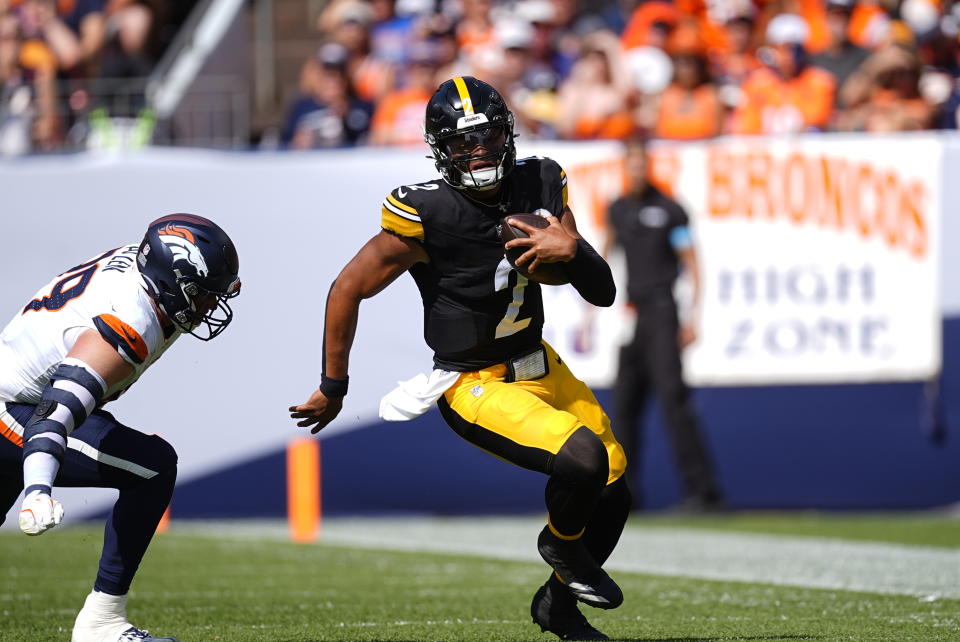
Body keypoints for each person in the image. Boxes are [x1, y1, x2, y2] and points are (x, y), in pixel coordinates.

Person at [290, 76, 630, 641]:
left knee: (614, 489)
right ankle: (560, 545)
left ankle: (558, 606)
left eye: (489, 138)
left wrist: (573, 250)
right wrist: (334, 383)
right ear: (438, 150)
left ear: (508, 135)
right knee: (584, 460)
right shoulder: (427, 213)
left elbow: (603, 292)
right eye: (462, 143)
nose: (479, 153)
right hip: (473, 380)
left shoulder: (540, 181)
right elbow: (348, 286)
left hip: (538, 362)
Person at [0, 213, 241, 642]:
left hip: (20, 392)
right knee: (153, 467)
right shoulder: (126, 322)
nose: (209, 307)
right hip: (17, 408)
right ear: (171, 282)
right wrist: (39, 488)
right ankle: (102, 624)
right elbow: (52, 414)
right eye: (202, 295)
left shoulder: (146, 272)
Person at [603, 138, 723, 513]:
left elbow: (692, 263)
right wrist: (592, 313)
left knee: (673, 402)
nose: (637, 172)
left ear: (649, 167)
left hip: (663, 310)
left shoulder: (669, 209)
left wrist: (692, 317)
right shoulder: (618, 210)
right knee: (624, 406)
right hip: (633, 314)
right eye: (631, 165)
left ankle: (703, 492)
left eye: (642, 165)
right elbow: (606, 255)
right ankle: (624, 495)